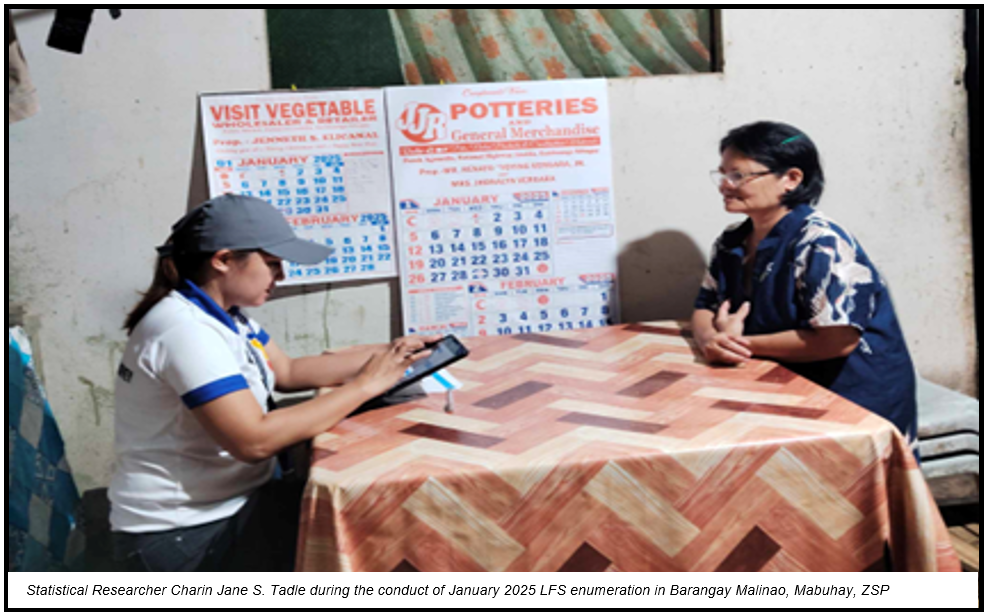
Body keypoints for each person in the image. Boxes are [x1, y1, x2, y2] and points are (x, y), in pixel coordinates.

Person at [109, 194, 440, 572]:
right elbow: (254, 440)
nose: (281, 276)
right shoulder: (185, 331)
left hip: (233, 503)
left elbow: (287, 371)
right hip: (187, 536)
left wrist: (392, 354)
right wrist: (365, 386)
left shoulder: (227, 316)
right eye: (271, 264)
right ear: (223, 260)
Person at [692, 121, 918, 446]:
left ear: (791, 178)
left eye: (739, 175)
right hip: (779, 385)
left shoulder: (821, 242)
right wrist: (713, 340)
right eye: (722, 174)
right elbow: (704, 306)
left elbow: (837, 340)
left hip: (850, 395)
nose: (725, 185)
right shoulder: (731, 240)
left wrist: (741, 345)